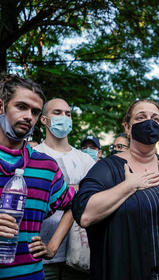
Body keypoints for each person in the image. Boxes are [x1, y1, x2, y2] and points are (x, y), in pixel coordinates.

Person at [72, 99, 159, 280]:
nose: (149, 122)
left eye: (155, 119)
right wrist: (129, 186)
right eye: (141, 117)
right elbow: (85, 215)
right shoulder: (108, 168)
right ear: (128, 127)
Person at [0, 75, 75, 280]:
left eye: (34, 111)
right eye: (21, 107)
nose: (28, 116)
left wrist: (51, 247)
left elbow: (75, 204)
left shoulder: (46, 166)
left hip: (31, 274)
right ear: (1, 106)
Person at [34, 98, 95, 280]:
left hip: (78, 257)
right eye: (57, 113)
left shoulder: (85, 160)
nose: (64, 117)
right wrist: (76, 190)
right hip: (41, 256)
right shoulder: (35, 156)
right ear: (44, 119)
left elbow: (93, 200)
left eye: (68, 114)